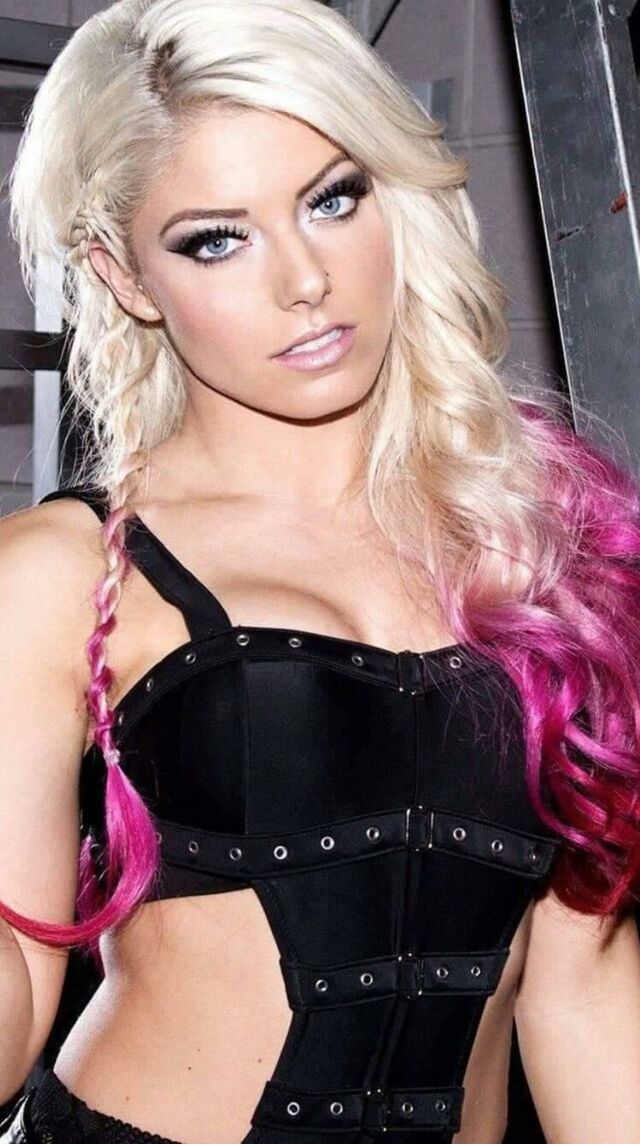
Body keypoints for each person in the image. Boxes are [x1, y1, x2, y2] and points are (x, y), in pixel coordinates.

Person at [1, 0, 640, 1141]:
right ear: (125, 274)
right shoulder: (67, 572)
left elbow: (579, 983)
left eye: (332, 199)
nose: (304, 279)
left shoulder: (540, 540)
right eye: (216, 238)